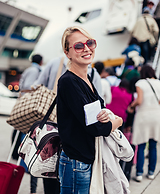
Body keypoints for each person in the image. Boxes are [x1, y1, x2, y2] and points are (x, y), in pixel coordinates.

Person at [57, 26, 123, 193]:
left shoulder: (86, 78)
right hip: (76, 163)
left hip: (85, 160)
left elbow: (97, 114)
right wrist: (118, 121)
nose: (86, 49)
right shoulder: (69, 81)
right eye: (79, 46)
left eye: (90, 43)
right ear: (67, 52)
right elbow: (95, 127)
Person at [33, 54, 102, 194]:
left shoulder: (54, 63)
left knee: (50, 163)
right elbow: (100, 102)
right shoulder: (91, 73)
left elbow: (37, 85)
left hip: (53, 123)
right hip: (77, 130)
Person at [127, 64, 160, 182]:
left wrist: (131, 106)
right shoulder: (159, 83)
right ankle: (151, 172)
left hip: (143, 115)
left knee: (140, 144)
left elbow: (139, 100)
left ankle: (139, 173)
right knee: (153, 145)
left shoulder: (140, 83)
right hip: (156, 115)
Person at [19, 54, 43, 194]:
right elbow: (29, 87)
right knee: (30, 138)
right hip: (30, 107)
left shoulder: (29, 69)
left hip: (24, 105)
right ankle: (27, 166)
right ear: (40, 61)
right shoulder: (35, 71)